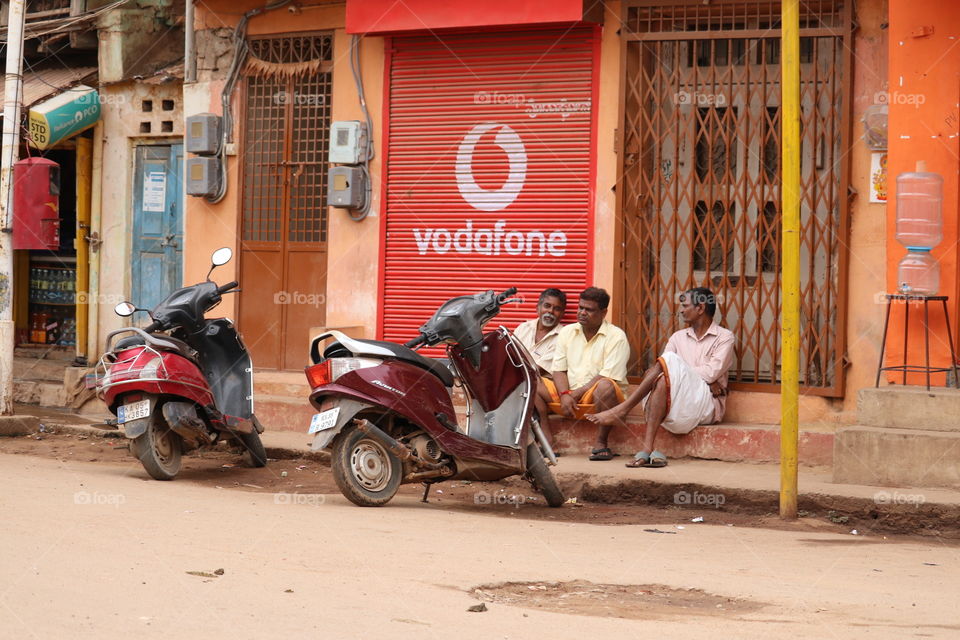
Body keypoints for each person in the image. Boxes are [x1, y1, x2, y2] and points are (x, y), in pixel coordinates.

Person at [587, 287, 735, 468]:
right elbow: (663, 370)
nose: (681, 310)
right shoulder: (677, 337)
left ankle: (624, 408)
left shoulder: (725, 337)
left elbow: (712, 372)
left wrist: (683, 372)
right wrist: (697, 379)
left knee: (669, 361)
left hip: (706, 406)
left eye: (685, 306)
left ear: (701, 308)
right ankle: (647, 449)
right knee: (662, 378)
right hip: (676, 406)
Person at [546, 287, 630, 461]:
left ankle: (601, 443)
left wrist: (574, 394)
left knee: (605, 386)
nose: (582, 313)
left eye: (589, 310)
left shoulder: (617, 337)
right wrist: (564, 394)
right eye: (580, 307)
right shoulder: (567, 332)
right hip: (569, 398)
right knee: (534, 383)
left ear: (603, 312)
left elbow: (607, 376)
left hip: (598, 400)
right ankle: (546, 441)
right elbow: (558, 369)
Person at [514, 289, 567, 448]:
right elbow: (509, 356)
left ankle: (543, 430)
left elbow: (537, 369)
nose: (550, 312)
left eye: (556, 309)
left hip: (547, 388)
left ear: (562, 313)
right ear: (538, 307)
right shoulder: (523, 328)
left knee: (531, 381)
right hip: (520, 382)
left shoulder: (564, 335)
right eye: (547, 306)